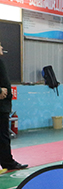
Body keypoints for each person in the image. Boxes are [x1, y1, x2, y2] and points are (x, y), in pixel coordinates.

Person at [0, 39, 28, 173]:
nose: (1, 47)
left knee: (3, 136)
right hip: (1, 106)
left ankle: (7, 161)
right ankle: (8, 162)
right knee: (3, 136)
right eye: (0, 45)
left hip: (3, 106)